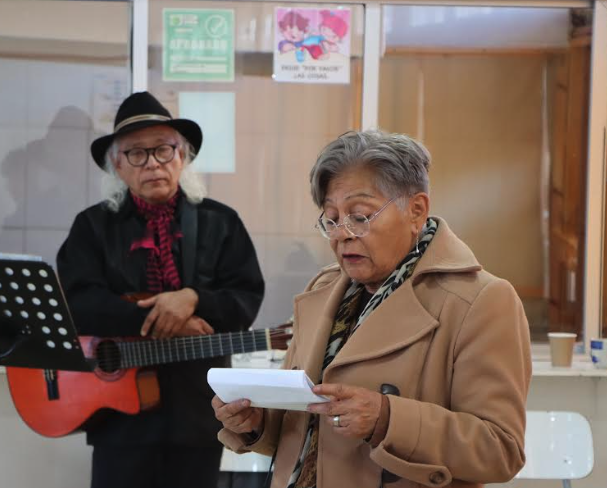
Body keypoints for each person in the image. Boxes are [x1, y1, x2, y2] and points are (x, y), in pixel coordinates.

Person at [213, 130, 532, 488]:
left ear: (416, 211)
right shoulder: (323, 290)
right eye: (331, 219)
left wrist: (387, 418)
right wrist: (256, 422)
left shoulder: (481, 301)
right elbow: (302, 429)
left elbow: (500, 450)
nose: (341, 234)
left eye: (360, 216)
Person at [57, 91, 265, 488]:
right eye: (136, 153)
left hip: (198, 412)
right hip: (118, 417)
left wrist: (194, 299)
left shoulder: (222, 222)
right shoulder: (92, 227)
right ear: (117, 165)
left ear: (182, 157)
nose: (152, 163)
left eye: (163, 150)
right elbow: (76, 303)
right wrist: (162, 319)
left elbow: (245, 300)